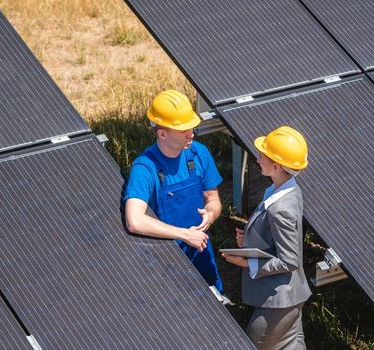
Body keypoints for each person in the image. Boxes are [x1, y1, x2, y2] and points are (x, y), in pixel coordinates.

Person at [124, 89, 224, 293]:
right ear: (162, 133)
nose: (191, 134)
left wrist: (211, 215)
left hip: (200, 251)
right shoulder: (144, 168)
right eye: (183, 130)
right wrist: (184, 235)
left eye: (192, 127)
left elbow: (213, 198)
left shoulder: (199, 153)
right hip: (163, 262)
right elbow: (134, 220)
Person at [222, 126, 312, 350]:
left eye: (264, 154)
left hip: (279, 301)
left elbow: (290, 259)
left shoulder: (280, 208)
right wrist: (250, 241)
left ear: (277, 165)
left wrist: (248, 262)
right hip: (289, 296)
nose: (258, 157)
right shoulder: (285, 190)